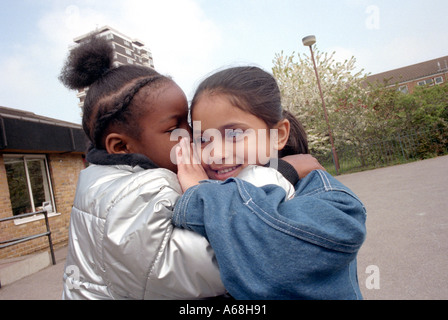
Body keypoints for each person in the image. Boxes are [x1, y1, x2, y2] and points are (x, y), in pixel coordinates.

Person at [59, 35, 318, 299]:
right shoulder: (133, 192)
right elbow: (230, 258)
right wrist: (278, 174)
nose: (189, 136)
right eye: (174, 128)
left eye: (190, 125)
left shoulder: (111, 181)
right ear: (121, 147)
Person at [173, 66, 367, 300]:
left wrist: (199, 194)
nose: (215, 153)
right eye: (203, 139)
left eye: (234, 134)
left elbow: (278, 255)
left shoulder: (325, 195)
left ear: (278, 134)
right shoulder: (201, 185)